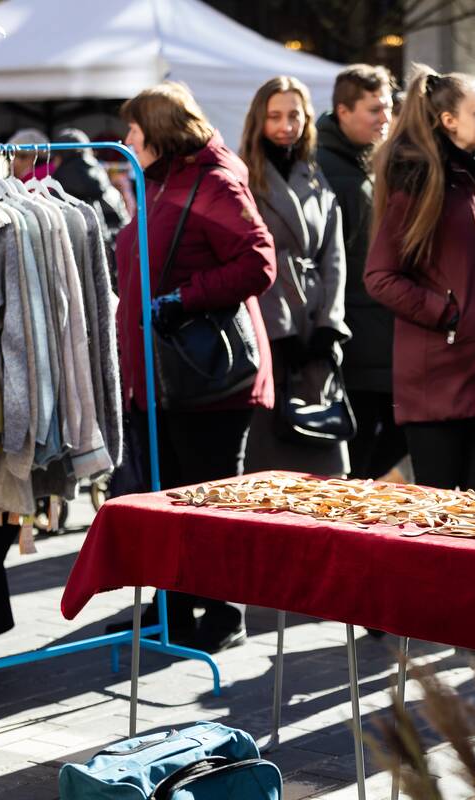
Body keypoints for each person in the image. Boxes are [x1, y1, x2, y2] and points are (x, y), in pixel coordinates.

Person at [113, 80, 277, 650]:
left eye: (133, 130)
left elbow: (258, 262)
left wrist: (185, 298)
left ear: (159, 134)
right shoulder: (159, 185)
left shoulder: (212, 183)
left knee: (208, 500)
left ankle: (225, 613)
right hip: (162, 380)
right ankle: (174, 610)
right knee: (173, 497)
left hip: (207, 380)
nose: (126, 140)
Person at [365, 65, 475, 493]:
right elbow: (380, 276)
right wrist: (447, 315)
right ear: (448, 121)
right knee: (441, 517)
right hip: (441, 380)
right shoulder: (421, 181)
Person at [239, 76, 351, 476]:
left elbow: (334, 255)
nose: (286, 125)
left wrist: (329, 324)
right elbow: (251, 257)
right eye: (275, 116)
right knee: (270, 460)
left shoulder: (316, 177)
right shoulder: (244, 177)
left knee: (323, 463)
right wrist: (278, 333)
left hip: (315, 319)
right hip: (269, 328)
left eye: (294, 115)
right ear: (259, 120)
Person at [315, 64, 406, 479]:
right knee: (361, 451)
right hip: (358, 337)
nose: (384, 118)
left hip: (378, 331)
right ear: (343, 110)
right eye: (374, 109)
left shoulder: (365, 162)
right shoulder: (328, 170)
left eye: (387, 107)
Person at [50, 127, 131, 241]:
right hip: (112, 256)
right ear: (89, 154)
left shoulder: (53, 200)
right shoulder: (112, 193)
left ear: (58, 158)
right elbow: (127, 233)